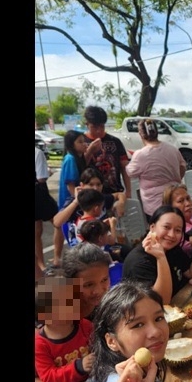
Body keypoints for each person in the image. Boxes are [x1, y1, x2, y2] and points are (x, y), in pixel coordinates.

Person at [121, 205, 192, 305]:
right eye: (166, 227)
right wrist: (161, 258)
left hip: (179, 304)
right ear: (152, 227)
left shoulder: (172, 249)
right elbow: (161, 302)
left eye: (178, 230)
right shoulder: (139, 262)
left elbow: (190, 272)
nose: (172, 235)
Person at [125, 117, 187, 218]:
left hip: (154, 206)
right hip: (175, 201)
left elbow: (130, 172)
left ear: (141, 135)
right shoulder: (173, 149)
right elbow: (183, 166)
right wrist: (176, 179)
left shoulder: (140, 154)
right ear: (157, 132)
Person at [50, 130, 91, 272]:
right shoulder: (70, 159)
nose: (83, 143)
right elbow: (70, 185)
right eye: (79, 142)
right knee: (62, 227)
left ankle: (65, 257)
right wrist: (77, 200)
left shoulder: (79, 157)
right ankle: (57, 257)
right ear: (71, 145)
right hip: (69, 200)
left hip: (75, 199)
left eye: (83, 140)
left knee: (68, 228)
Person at [83, 105, 131, 220]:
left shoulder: (115, 141)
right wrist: (89, 152)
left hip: (114, 193)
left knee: (115, 228)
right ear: (87, 124)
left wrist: (128, 191)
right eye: (94, 127)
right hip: (91, 198)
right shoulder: (81, 142)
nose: (99, 130)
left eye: (102, 126)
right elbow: (77, 169)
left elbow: (124, 167)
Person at [36, 141, 59, 275]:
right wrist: (49, 172)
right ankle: (57, 257)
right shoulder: (38, 153)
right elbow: (41, 178)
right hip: (39, 194)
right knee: (59, 222)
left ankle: (41, 265)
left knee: (37, 231)